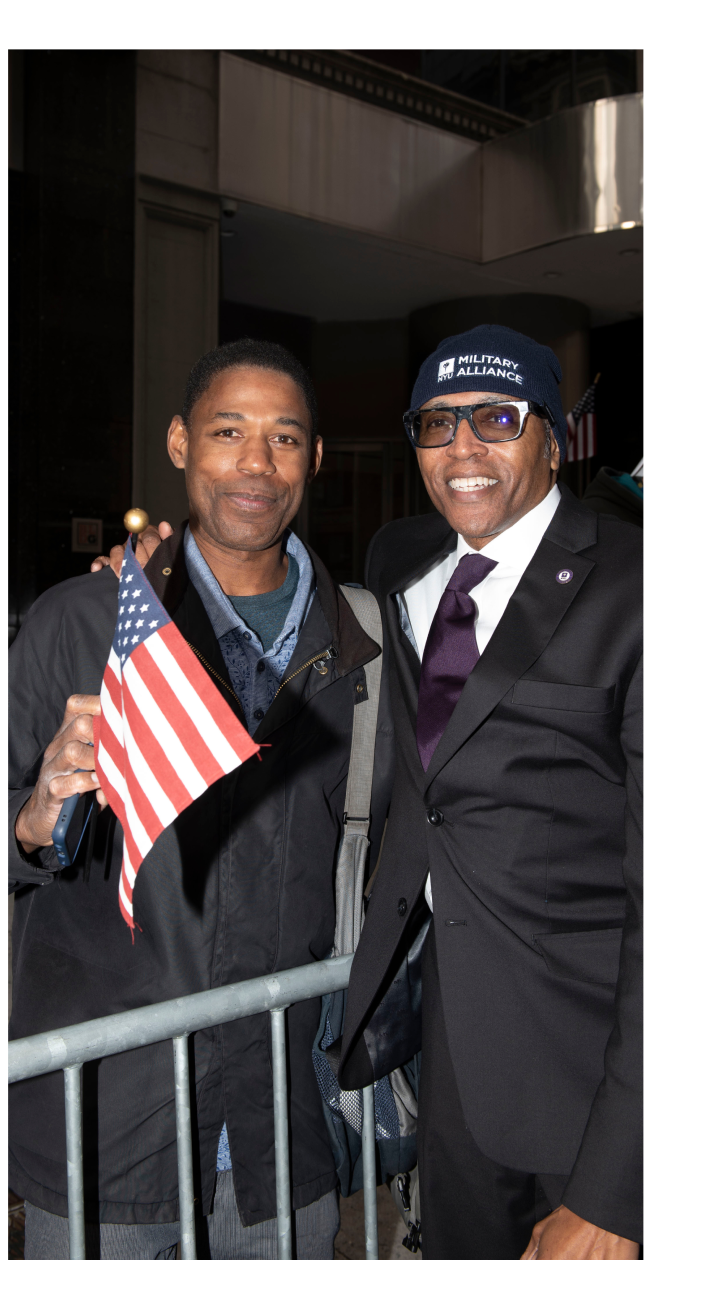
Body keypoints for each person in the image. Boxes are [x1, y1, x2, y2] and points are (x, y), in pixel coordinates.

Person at [9, 339, 381, 1258]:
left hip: (281, 1138)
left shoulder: (362, 644)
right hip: (109, 1137)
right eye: (227, 431)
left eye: (284, 439)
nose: (255, 464)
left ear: (316, 460)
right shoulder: (81, 622)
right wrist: (31, 822)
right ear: (180, 444)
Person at [336, 325, 641, 1259]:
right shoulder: (403, 564)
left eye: (497, 418)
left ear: (555, 438)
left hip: (597, 1075)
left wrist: (620, 1192)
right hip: (453, 1057)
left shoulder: (646, 589)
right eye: (437, 423)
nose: (462, 447)